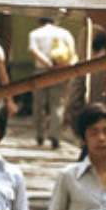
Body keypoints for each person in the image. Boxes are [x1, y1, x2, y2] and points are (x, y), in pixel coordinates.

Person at [28, 14, 76, 147]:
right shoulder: (65, 33)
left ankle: (39, 135)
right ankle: (55, 136)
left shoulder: (35, 33)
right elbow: (71, 52)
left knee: (39, 104)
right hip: (60, 72)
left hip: (41, 71)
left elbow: (33, 50)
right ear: (55, 22)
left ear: (40, 22)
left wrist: (48, 64)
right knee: (58, 103)